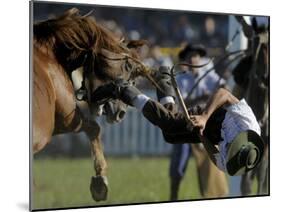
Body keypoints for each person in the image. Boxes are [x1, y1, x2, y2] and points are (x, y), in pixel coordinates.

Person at [91, 66, 264, 177]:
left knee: (170, 136)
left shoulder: (233, 165)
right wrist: (203, 117)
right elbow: (223, 93)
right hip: (213, 115)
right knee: (171, 124)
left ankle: (164, 83)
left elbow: (215, 156)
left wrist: (203, 139)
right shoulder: (248, 123)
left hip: (211, 134)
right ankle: (124, 90)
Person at [169, 44, 227, 200]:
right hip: (187, 125)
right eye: (190, 56)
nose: (193, 59)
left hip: (206, 126)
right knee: (179, 162)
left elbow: (223, 88)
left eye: (196, 56)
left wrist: (216, 91)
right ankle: (173, 196)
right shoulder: (181, 78)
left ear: (200, 58)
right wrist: (203, 97)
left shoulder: (210, 75)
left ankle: (212, 196)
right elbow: (183, 101)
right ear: (186, 60)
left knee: (212, 163)